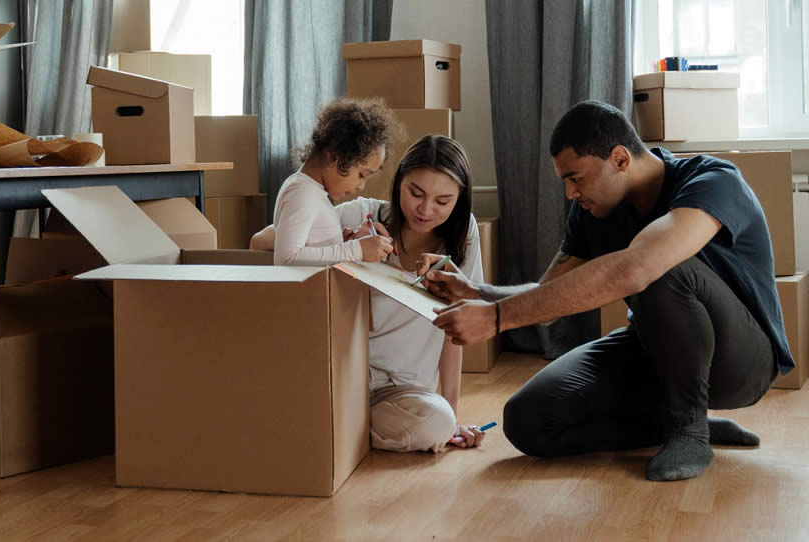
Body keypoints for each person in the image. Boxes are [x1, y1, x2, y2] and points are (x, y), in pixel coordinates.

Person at [418, 101, 793, 481]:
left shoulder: (713, 180)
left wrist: (497, 320)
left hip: (742, 363)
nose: (569, 193)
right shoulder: (593, 210)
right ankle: (670, 423)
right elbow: (549, 297)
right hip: (655, 351)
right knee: (527, 420)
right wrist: (477, 292)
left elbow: (639, 267)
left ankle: (689, 429)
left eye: (576, 178)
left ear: (620, 159)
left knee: (660, 266)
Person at [252, 134, 488, 452]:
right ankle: (339, 428)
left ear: (459, 200)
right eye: (415, 193)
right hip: (344, 378)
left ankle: (337, 430)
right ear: (398, 182)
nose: (426, 209)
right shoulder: (361, 215)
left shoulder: (464, 237)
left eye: (443, 201)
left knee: (438, 423)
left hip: (403, 392)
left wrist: (453, 416)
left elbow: (454, 330)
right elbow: (261, 241)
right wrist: (346, 246)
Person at [272, 99, 396, 266]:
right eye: (361, 175)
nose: (361, 186)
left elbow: (310, 250)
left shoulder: (312, 192)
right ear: (334, 156)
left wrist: (339, 243)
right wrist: (356, 250)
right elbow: (287, 258)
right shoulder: (302, 192)